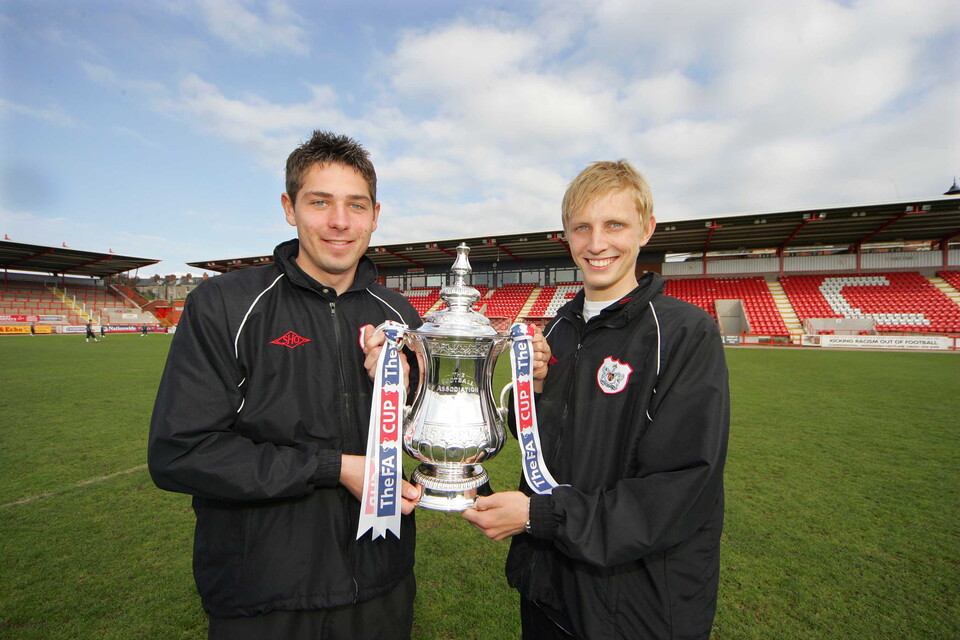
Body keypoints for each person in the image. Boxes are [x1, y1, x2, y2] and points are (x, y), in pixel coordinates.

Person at [148, 131, 422, 640]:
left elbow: (414, 438)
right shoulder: (226, 303)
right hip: (263, 594)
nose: (340, 221)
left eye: (355, 205)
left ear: (376, 215)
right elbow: (179, 452)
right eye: (320, 202)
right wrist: (333, 468)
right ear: (289, 208)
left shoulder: (399, 315)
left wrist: (411, 395)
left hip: (381, 585)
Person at [463, 160, 730, 639]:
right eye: (582, 227)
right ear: (565, 235)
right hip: (548, 588)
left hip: (635, 607)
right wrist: (537, 395)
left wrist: (539, 515)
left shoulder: (685, 332)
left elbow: (679, 488)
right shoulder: (559, 329)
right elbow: (550, 452)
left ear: (646, 229)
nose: (597, 243)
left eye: (615, 225)